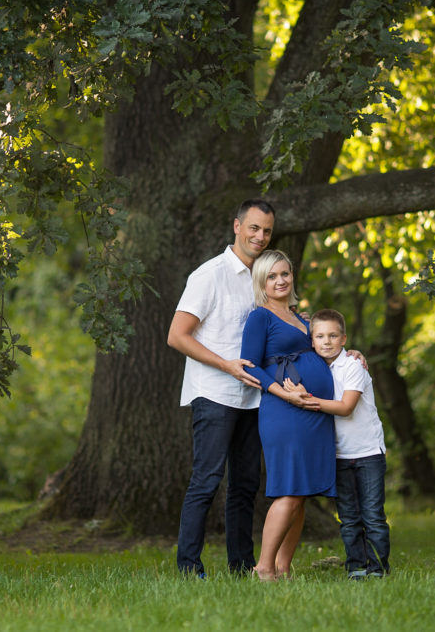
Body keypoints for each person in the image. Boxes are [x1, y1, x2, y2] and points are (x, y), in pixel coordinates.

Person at [167, 198, 276, 578]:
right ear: (237, 226)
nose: (259, 236)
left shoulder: (262, 280)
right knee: (207, 480)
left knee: (246, 485)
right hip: (213, 393)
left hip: (253, 397)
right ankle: (188, 567)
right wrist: (226, 365)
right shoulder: (209, 275)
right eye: (254, 228)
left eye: (266, 231)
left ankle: (242, 567)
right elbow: (177, 336)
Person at [240, 250, 337, 581]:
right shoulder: (260, 317)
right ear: (261, 282)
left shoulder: (301, 317)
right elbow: (250, 367)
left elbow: (325, 346)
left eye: (285, 273)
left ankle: (283, 568)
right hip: (285, 412)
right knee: (289, 488)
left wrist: (349, 353)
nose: (280, 280)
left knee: (302, 491)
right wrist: (285, 394)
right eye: (272, 276)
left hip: (313, 412)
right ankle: (264, 568)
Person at [289, 308, 390, 580]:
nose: (326, 341)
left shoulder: (353, 365)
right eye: (320, 336)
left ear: (343, 339)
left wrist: (306, 398)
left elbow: (346, 407)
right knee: (348, 518)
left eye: (333, 335)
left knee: (372, 515)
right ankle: (356, 567)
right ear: (312, 341)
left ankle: (378, 568)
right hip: (338, 454)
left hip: (368, 452)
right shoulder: (317, 367)